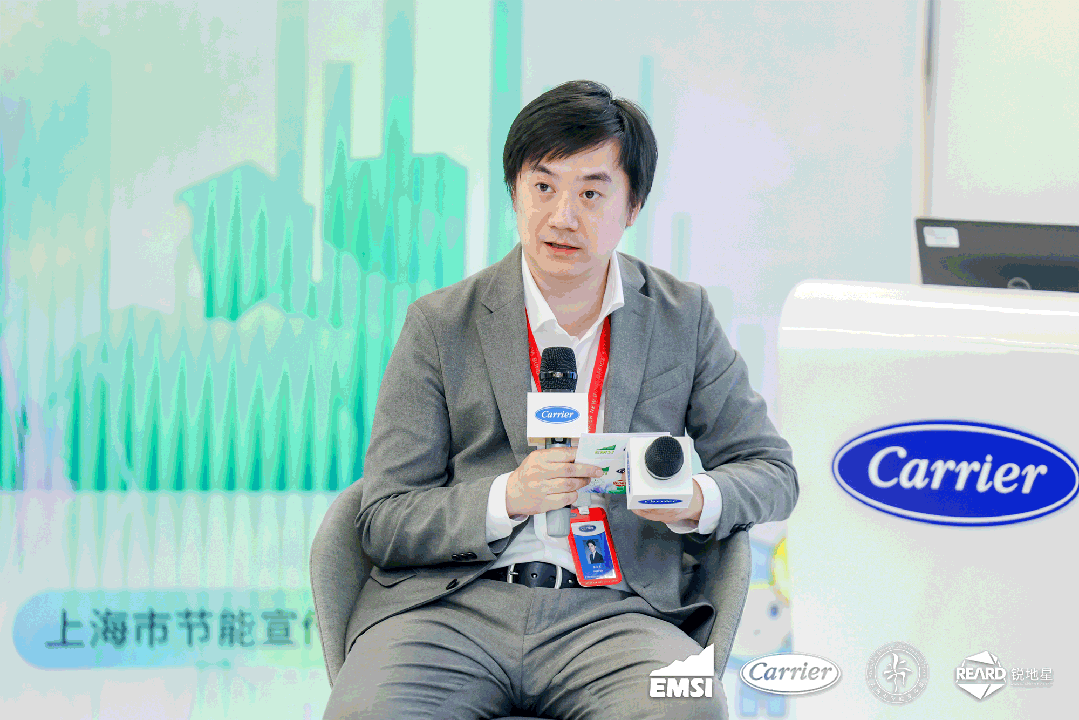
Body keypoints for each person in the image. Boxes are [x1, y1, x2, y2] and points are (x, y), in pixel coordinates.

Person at [323, 80, 798, 720]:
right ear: (514, 192)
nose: (562, 216)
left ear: (633, 206)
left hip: (618, 614)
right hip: (451, 607)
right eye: (543, 186)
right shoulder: (441, 323)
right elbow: (384, 518)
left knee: (686, 710)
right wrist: (506, 497)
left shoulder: (681, 319)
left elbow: (772, 472)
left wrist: (693, 498)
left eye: (591, 193)